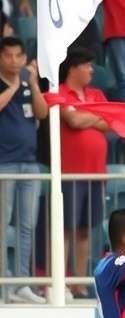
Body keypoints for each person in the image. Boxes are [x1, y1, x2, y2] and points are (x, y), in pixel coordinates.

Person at [58, 47, 110, 300]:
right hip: (70, 174)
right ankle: (62, 281)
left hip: (96, 174)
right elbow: (74, 122)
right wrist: (95, 115)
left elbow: (110, 122)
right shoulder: (60, 93)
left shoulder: (96, 93)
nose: (91, 70)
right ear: (73, 69)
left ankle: (79, 283)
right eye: (87, 66)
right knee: (66, 229)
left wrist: (84, 114)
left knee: (84, 230)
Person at [0, 37, 47, 304]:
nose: (15, 61)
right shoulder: (7, 83)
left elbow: (41, 113)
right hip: (4, 164)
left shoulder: (28, 84)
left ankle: (22, 283)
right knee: (2, 225)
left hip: (29, 163)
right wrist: (15, 86)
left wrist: (34, 84)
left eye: (19, 56)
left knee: (27, 226)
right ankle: (5, 282)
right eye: (9, 56)